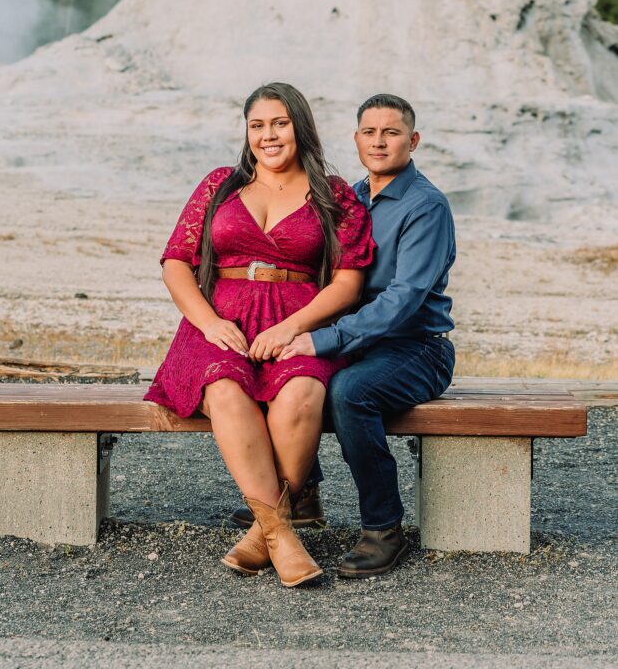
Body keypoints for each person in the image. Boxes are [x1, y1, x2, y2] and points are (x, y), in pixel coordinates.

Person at [144, 82, 374, 587]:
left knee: (302, 392)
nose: (268, 135)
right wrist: (209, 323)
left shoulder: (333, 194)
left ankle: (263, 531)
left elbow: (348, 282)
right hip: (218, 322)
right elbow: (176, 263)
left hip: (298, 321)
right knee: (224, 387)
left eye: (280, 124)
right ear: (247, 132)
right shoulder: (220, 185)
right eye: (257, 125)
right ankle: (282, 535)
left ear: (300, 127)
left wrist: (292, 327)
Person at [279, 93, 456, 578]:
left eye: (391, 133)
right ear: (356, 139)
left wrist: (325, 339)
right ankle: (301, 493)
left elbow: (404, 299)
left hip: (416, 349)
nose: (379, 142)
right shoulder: (347, 199)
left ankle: (384, 529)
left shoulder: (426, 206)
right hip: (355, 342)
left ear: (413, 141)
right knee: (285, 372)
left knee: (349, 392)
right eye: (370, 132)